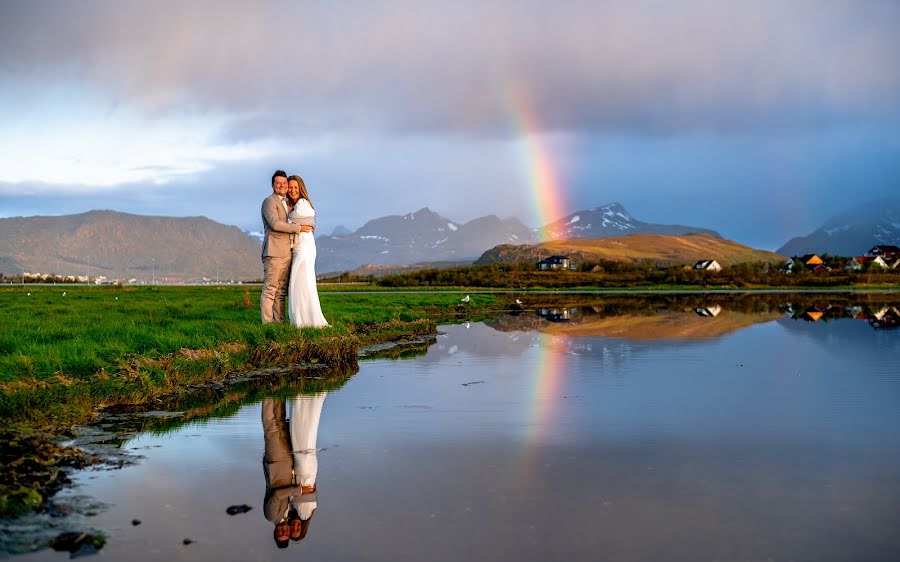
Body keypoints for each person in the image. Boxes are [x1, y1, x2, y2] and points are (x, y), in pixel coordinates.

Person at [260, 170, 312, 324]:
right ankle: (267, 325)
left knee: (281, 292)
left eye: (284, 183)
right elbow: (275, 224)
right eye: (278, 183)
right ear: (273, 185)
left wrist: (309, 225)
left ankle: (279, 323)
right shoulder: (269, 201)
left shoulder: (288, 203)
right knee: (270, 290)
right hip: (273, 252)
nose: (282, 185)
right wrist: (298, 228)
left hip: (287, 253)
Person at [286, 175, 329, 328]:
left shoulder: (303, 203)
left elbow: (289, 220)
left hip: (304, 248)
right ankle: (302, 320)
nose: (292, 190)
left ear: (301, 188)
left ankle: (306, 321)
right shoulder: (294, 204)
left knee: (302, 283)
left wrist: (290, 222)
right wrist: (296, 225)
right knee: (299, 283)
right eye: (290, 187)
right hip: (300, 246)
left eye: (295, 187)